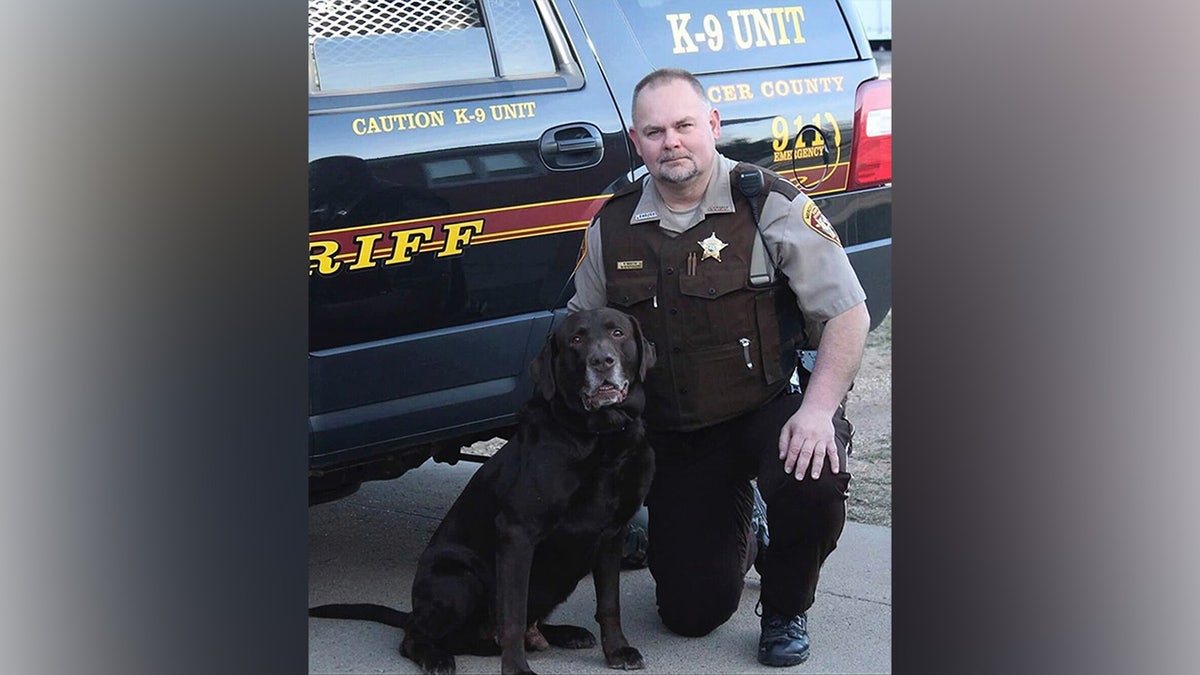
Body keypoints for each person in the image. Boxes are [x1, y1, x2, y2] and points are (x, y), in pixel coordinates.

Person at [568, 68, 870, 667]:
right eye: (654, 132)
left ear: (712, 125)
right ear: (637, 141)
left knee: (812, 473)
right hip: (678, 435)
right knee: (690, 614)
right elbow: (580, 328)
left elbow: (848, 314)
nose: (670, 142)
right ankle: (744, 531)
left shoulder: (769, 204)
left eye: (684, 125)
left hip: (766, 409)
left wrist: (816, 412)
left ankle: (786, 604)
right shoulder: (612, 224)